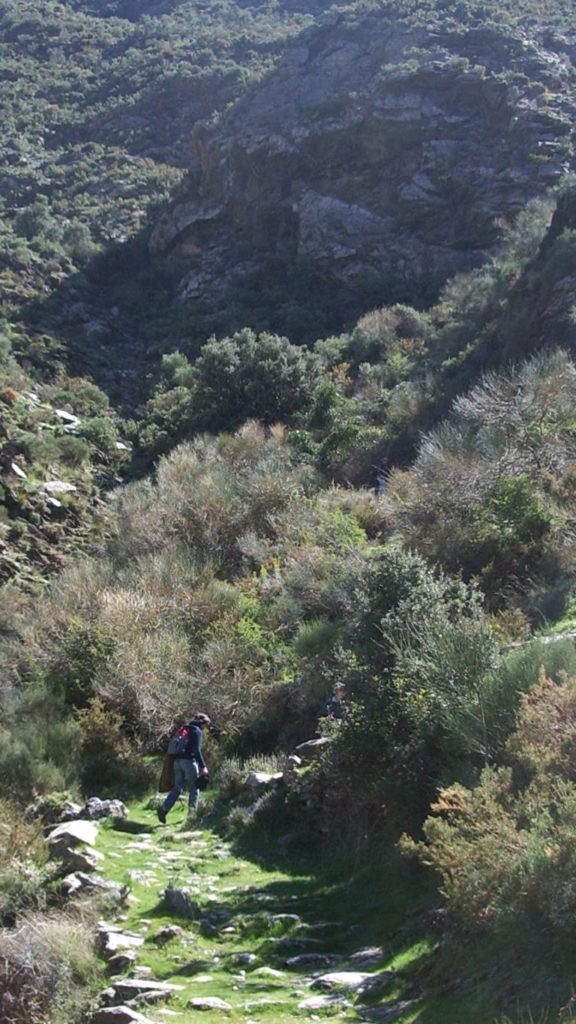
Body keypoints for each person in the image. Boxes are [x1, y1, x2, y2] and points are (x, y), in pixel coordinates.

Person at [157, 712, 211, 824]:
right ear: (203, 723)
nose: (206, 728)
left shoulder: (184, 728)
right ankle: (192, 816)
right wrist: (203, 767)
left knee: (177, 788)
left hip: (177, 762)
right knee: (194, 789)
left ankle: (164, 809)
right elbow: (197, 750)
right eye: (206, 725)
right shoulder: (197, 731)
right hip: (189, 762)